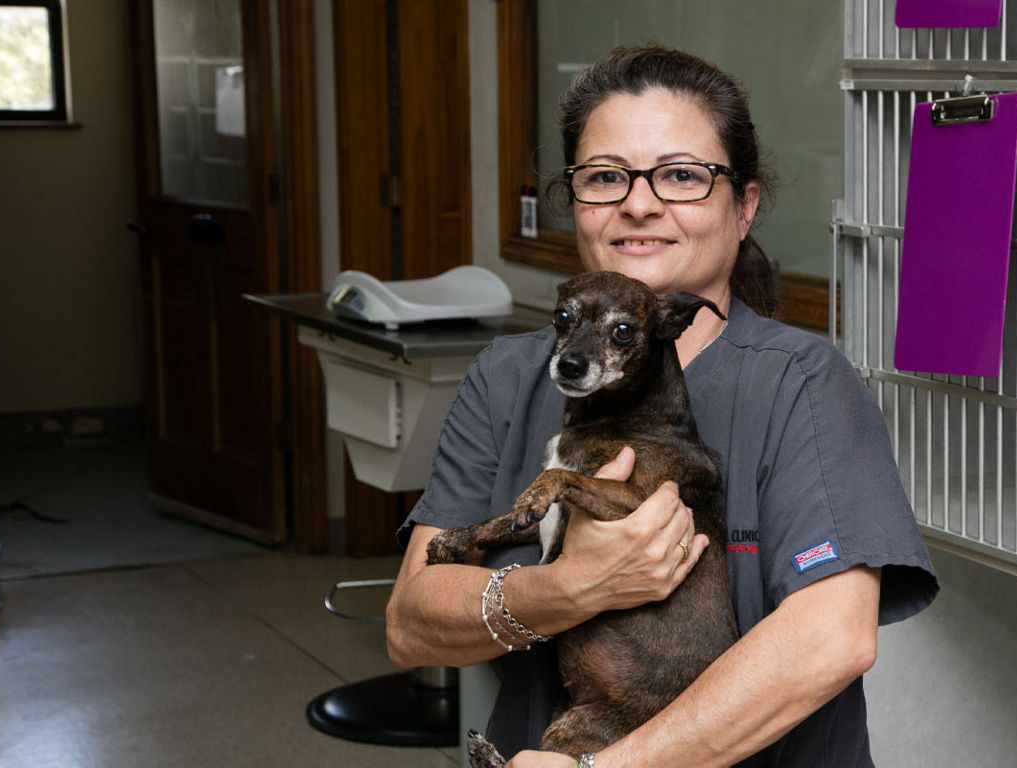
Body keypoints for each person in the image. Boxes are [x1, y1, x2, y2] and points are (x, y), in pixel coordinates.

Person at [385, 44, 938, 767]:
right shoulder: (508, 377)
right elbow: (411, 625)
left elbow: (831, 637)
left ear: (743, 207)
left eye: (682, 176)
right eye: (605, 177)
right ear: (573, 202)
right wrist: (565, 589)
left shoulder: (803, 383)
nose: (638, 203)